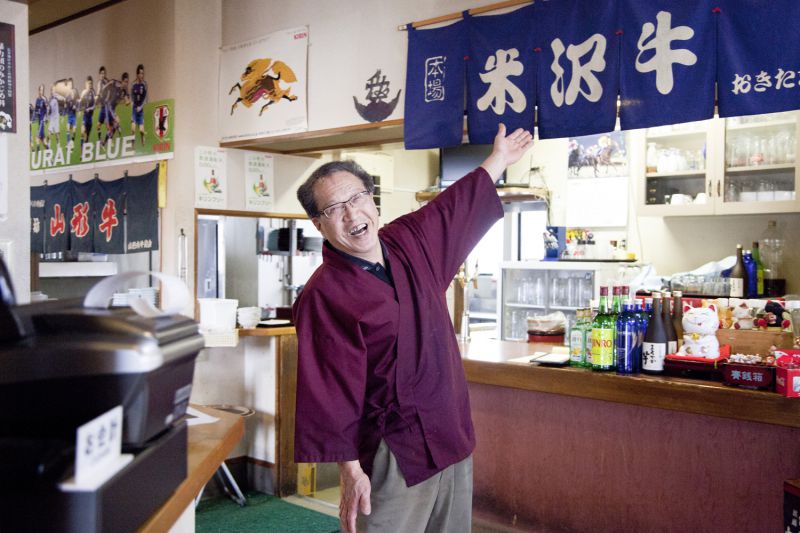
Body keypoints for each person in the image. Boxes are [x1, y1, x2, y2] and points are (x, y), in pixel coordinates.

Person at [292, 124, 534, 533]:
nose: (352, 214)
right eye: (334, 208)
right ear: (319, 224)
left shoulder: (409, 240)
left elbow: (452, 209)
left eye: (357, 198)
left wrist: (498, 160)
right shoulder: (324, 295)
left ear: (372, 198)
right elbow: (329, 391)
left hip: (450, 428)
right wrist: (350, 470)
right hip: (395, 446)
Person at [131, 64, 148, 145]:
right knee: (133, 129)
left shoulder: (144, 84)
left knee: (141, 130)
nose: (142, 75)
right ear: (137, 74)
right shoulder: (133, 84)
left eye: (143, 73)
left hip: (140, 110)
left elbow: (145, 99)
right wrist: (132, 103)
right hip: (134, 109)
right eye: (140, 73)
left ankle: (143, 141)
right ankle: (132, 145)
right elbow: (131, 96)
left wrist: (140, 107)